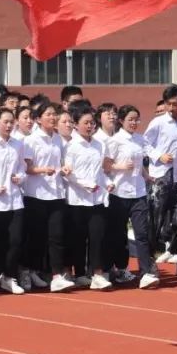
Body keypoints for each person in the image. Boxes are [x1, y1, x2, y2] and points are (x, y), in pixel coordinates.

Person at [22, 101, 75, 293]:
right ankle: (31, 270)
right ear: (38, 119)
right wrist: (43, 170)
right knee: (36, 237)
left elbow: (60, 163)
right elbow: (27, 168)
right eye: (48, 115)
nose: (52, 118)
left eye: (54, 114)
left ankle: (56, 275)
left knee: (56, 236)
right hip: (36, 194)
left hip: (56, 193)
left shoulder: (58, 139)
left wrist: (64, 168)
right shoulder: (31, 140)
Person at [145, 84, 177, 278]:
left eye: (175, 104)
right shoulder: (157, 123)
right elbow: (145, 144)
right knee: (155, 221)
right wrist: (159, 156)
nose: (172, 108)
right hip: (160, 177)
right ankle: (149, 262)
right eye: (169, 104)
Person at [107, 105, 159, 289]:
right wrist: (120, 167)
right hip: (119, 193)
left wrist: (146, 175)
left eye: (137, 119)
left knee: (142, 233)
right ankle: (117, 268)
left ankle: (145, 272)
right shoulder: (115, 140)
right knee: (118, 234)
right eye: (130, 119)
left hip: (138, 193)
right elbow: (106, 165)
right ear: (121, 120)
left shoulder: (139, 139)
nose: (134, 123)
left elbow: (141, 162)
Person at [63, 101, 113, 290]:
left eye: (92, 122)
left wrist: (107, 183)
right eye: (86, 122)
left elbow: (100, 171)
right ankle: (78, 273)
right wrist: (86, 185)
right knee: (77, 238)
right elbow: (68, 174)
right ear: (75, 124)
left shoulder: (100, 145)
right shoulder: (71, 146)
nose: (90, 126)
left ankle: (97, 274)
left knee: (97, 236)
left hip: (97, 198)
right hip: (76, 199)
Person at [0, 109, 28, 294]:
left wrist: (20, 177)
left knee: (15, 240)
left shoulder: (18, 144)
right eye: (5, 122)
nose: (9, 125)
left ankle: (9, 276)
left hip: (15, 198)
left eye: (11, 122)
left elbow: (23, 169)